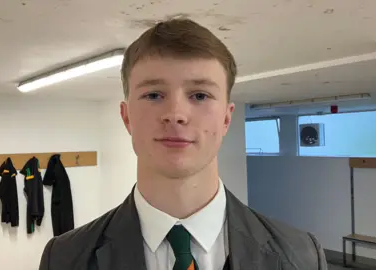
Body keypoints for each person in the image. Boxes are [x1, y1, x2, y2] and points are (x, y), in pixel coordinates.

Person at [38, 18, 328, 270]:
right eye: (153, 95)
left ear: (226, 119)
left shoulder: (300, 256)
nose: (176, 114)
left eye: (200, 95)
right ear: (127, 118)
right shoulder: (64, 258)